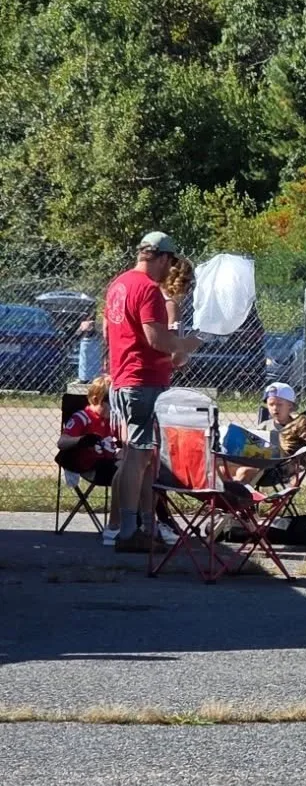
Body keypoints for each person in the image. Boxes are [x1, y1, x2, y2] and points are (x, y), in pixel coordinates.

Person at [103, 230, 200, 553]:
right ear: (159, 257)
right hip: (142, 380)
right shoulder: (147, 290)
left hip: (123, 377)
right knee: (137, 455)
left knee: (143, 456)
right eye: (168, 261)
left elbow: (110, 330)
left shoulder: (119, 284)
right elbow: (155, 339)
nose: (169, 268)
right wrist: (186, 345)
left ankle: (145, 525)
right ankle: (128, 531)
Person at [56, 373, 120, 537]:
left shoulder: (112, 420)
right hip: (91, 467)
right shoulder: (82, 418)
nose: (113, 409)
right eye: (110, 404)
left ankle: (141, 523)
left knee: (138, 472)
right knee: (126, 475)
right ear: (97, 399)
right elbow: (62, 442)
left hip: (110, 462)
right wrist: (82, 439)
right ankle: (118, 524)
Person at [228, 382, 306, 488]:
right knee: (225, 467)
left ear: (290, 405)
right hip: (259, 465)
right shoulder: (263, 426)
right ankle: (229, 496)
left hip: (280, 470)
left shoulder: (298, 428)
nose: (275, 408)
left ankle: (237, 498)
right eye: (271, 404)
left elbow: (301, 462)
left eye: (279, 404)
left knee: (244, 472)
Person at [75, 317, 103, 384]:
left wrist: (93, 327)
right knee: (85, 361)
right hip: (87, 342)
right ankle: (85, 377)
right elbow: (77, 333)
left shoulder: (95, 324)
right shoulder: (84, 323)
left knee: (91, 360)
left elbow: (77, 333)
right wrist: (84, 327)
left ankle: (89, 377)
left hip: (93, 343)